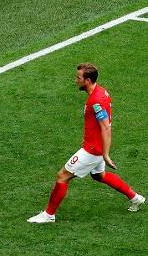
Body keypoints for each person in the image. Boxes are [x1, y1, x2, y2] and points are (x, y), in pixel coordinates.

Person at [27, 62, 145, 223]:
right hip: (97, 148)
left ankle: (48, 215)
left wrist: (105, 154)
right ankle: (135, 198)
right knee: (99, 175)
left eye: (78, 77)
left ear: (87, 81)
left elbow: (106, 128)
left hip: (92, 150)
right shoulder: (101, 92)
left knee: (62, 176)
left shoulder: (95, 101)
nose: (76, 80)